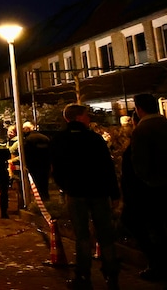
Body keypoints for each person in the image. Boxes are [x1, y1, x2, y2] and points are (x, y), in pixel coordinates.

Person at [50, 104, 121, 290]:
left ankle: (83, 276)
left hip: (76, 193)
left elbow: (56, 169)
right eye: (86, 115)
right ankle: (112, 275)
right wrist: (114, 193)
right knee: (105, 234)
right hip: (99, 191)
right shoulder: (94, 139)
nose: (89, 118)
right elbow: (107, 167)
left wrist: (66, 187)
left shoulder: (59, 140)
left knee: (82, 235)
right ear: (78, 117)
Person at [125, 93, 167, 284]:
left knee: (156, 231)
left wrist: (146, 183)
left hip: (155, 190)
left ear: (139, 109)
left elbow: (140, 164)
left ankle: (164, 268)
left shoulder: (142, 131)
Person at [19, 121, 51, 206]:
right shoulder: (45, 138)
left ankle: (38, 205)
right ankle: (46, 202)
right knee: (44, 185)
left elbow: (27, 153)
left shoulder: (28, 140)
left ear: (27, 129)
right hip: (45, 165)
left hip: (34, 166)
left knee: (35, 186)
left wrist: (26, 165)